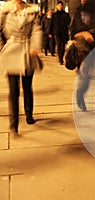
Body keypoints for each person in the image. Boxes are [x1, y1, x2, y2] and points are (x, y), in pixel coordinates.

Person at [0, 0, 43, 136]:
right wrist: (1, 47)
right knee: (13, 91)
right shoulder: (5, 11)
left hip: (26, 51)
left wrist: (35, 46)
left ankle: (29, 114)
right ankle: (14, 124)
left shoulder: (31, 10)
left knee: (27, 87)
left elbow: (37, 30)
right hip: (11, 51)